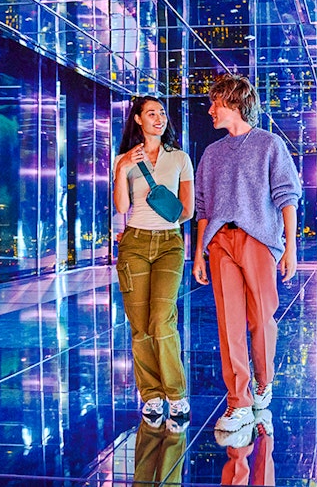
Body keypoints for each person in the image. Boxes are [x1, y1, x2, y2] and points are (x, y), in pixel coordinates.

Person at [192, 73, 302, 432]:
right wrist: (198, 254)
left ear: (235, 103)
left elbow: (287, 198)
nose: (210, 110)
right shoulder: (211, 154)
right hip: (220, 242)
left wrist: (290, 249)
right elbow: (203, 208)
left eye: (216, 103)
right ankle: (238, 401)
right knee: (230, 325)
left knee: (261, 319)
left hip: (259, 240)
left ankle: (263, 380)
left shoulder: (270, 145)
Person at [114, 96, 195, 420]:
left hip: (168, 245)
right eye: (151, 113)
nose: (159, 118)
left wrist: (167, 209)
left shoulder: (179, 159)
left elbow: (186, 210)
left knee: (162, 319)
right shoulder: (124, 159)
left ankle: (175, 394)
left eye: (161, 113)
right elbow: (121, 207)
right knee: (140, 326)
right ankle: (151, 395)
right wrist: (121, 169)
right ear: (137, 120)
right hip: (134, 242)